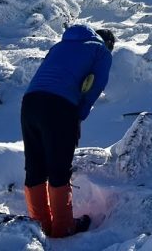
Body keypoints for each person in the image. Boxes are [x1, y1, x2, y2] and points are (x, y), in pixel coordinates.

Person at [21, 25, 115, 237]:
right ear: (108, 43)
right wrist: (77, 116)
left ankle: (39, 226)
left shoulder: (59, 46)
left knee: (35, 166)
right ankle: (64, 226)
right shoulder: (101, 51)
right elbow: (95, 88)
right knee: (59, 168)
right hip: (60, 106)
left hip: (30, 103)